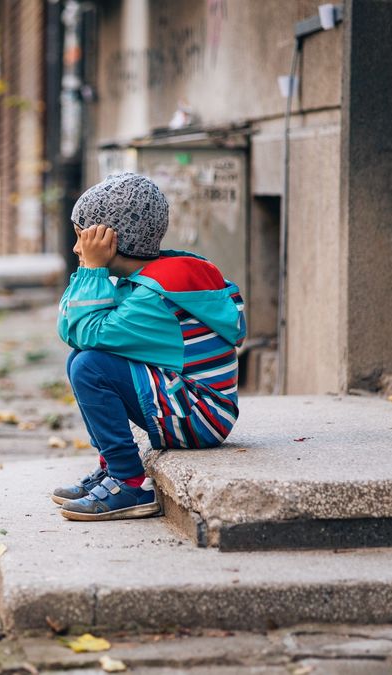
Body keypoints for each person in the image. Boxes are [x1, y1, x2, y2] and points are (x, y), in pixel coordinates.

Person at [54, 172, 246, 521]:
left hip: (201, 417)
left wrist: (90, 272)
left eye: (82, 237)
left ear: (108, 239)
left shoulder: (153, 298)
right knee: (80, 360)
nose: (76, 249)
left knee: (88, 365)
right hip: (196, 406)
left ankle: (129, 482)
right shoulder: (153, 281)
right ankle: (111, 467)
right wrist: (92, 272)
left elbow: (79, 328)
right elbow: (78, 332)